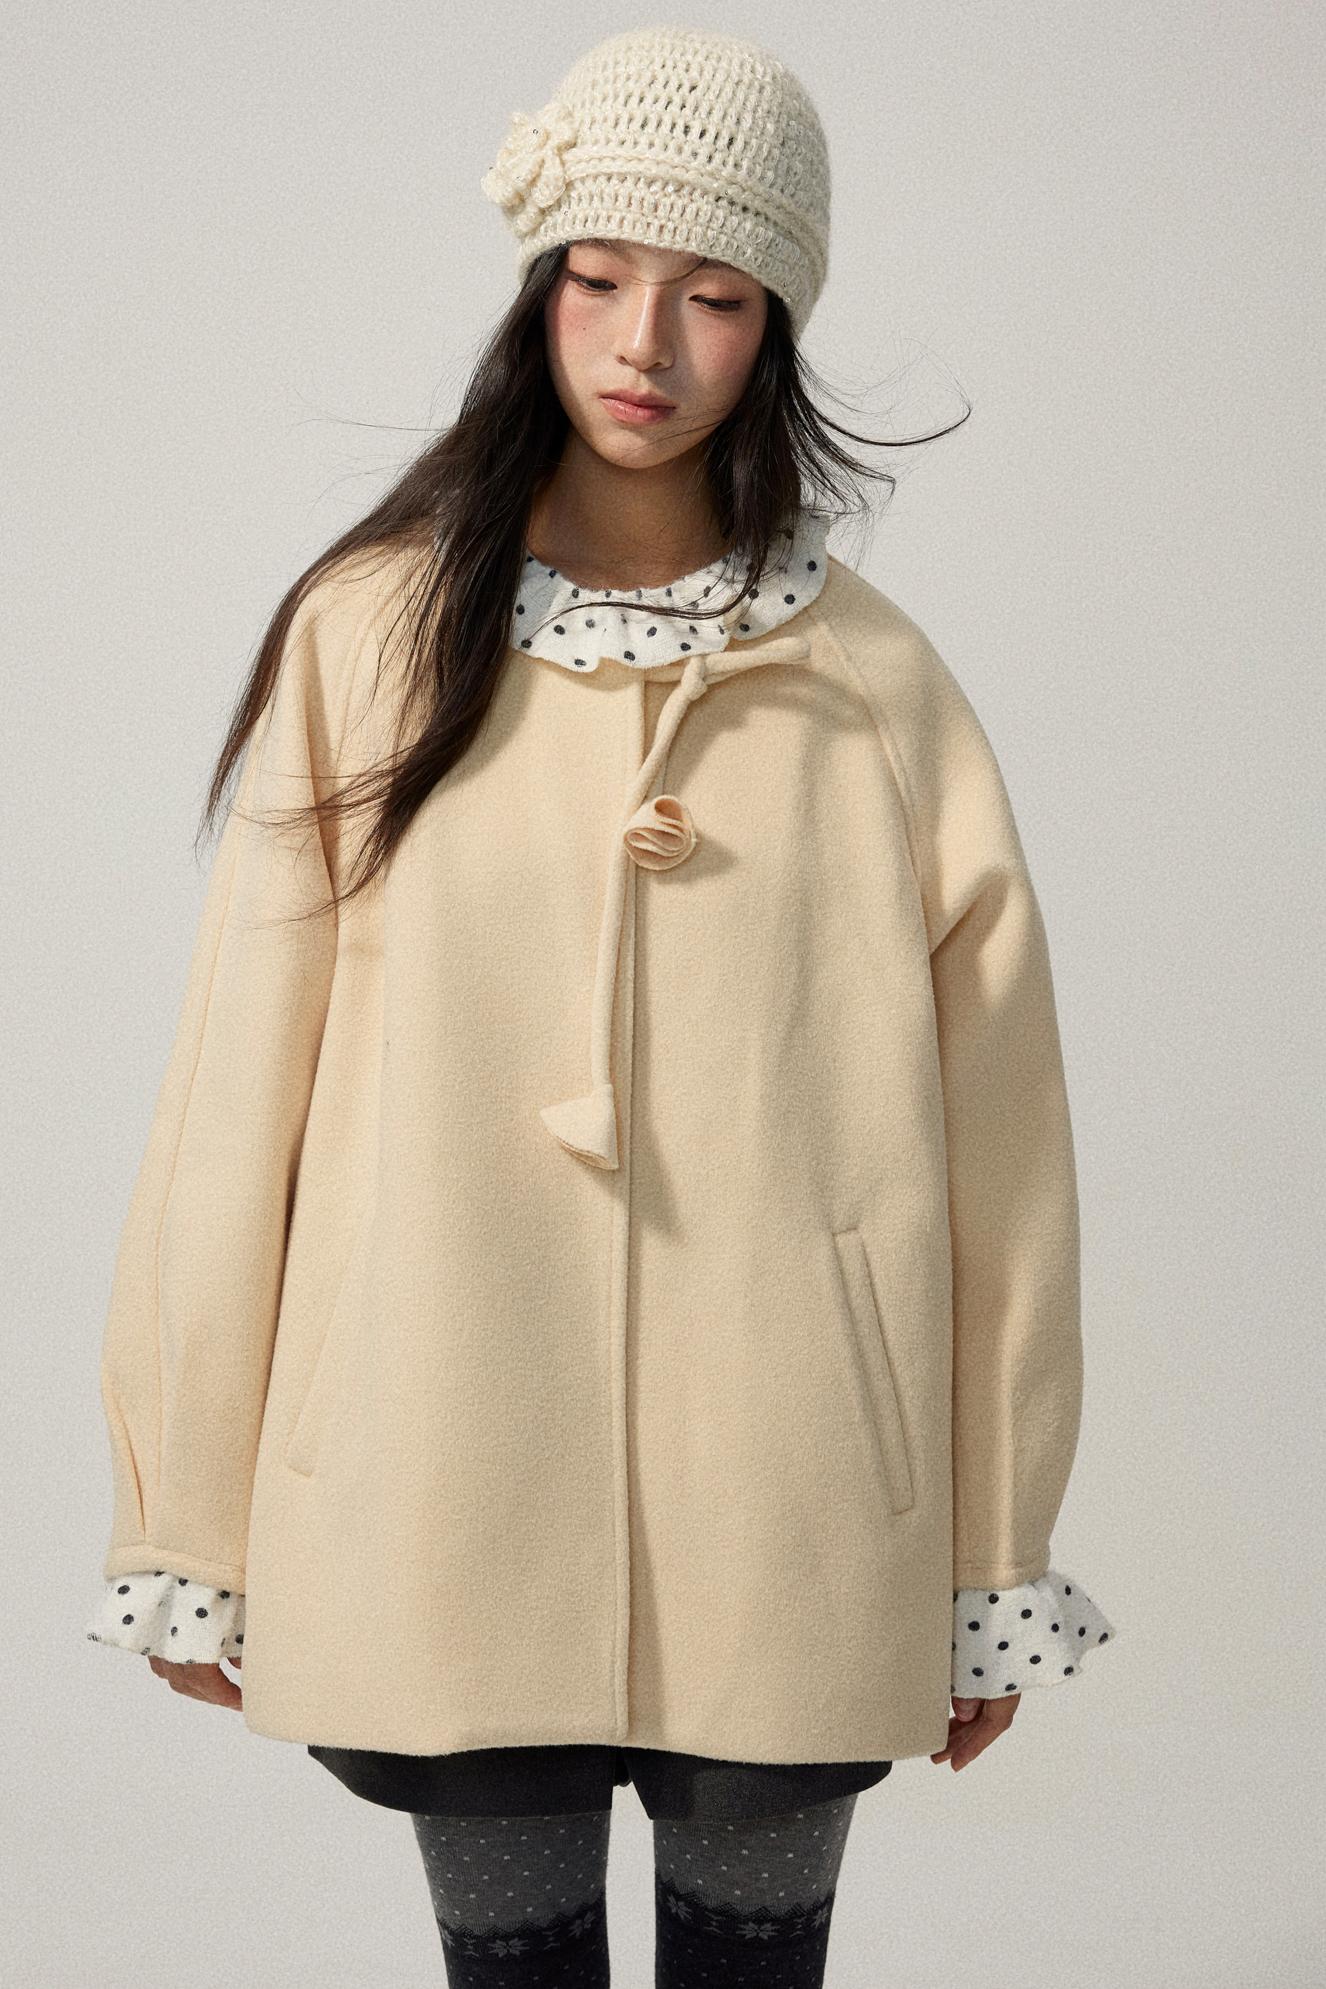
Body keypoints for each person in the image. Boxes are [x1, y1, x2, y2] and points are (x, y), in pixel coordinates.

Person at [84, 26, 1117, 1985]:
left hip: (800, 1488)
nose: (644, 343)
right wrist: (187, 1508)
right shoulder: (371, 639)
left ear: (776, 325)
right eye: (598, 278)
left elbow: (1009, 1162)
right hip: (435, 1454)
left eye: (713, 294)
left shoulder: (880, 691)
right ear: (537, 291)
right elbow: (233, 1104)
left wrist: (995, 1547)